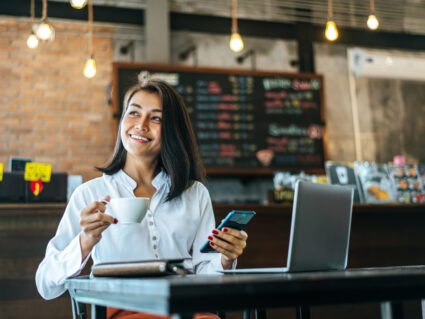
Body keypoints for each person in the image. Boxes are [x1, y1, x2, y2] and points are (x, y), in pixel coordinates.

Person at [35, 78, 248, 319]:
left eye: (156, 118)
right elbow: (46, 284)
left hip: (185, 307)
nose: (141, 125)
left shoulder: (194, 193)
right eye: (134, 113)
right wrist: (85, 241)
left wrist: (225, 258)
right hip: (121, 310)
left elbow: (207, 278)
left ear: (172, 130)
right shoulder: (89, 194)